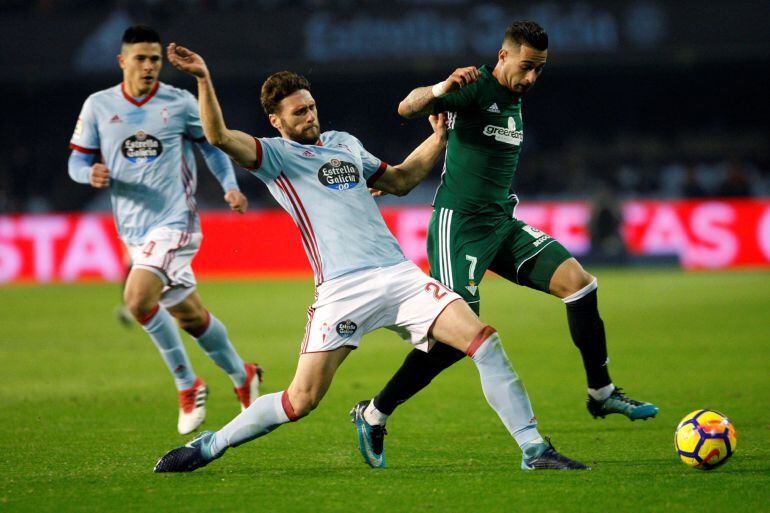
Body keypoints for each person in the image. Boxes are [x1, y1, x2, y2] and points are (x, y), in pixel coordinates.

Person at [153, 42, 588, 472]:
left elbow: (399, 180)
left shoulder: (343, 142)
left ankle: (534, 450)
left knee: (484, 341)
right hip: (343, 290)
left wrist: (438, 138)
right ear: (276, 121)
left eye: (311, 107)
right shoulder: (276, 157)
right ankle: (212, 444)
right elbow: (217, 136)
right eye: (298, 112)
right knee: (300, 400)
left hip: (400, 276)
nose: (309, 116)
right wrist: (203, 79)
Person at [351, 20, 658, 467]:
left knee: (581, 284)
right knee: (459, 337)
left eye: (540, 70)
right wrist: (441, 87)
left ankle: (602, 392)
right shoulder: (473, 86)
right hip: (459, 226)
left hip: (501, 222)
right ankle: (375, 412)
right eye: (527, 66)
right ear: (504, 56)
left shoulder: (514, 97)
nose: (532, 78)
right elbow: (406, 107)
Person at [68, 25, 263, 435]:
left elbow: (212, 144)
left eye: (155, 59)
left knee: (137, 299)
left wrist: (229, 186)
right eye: (140, 58)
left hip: (176, 223)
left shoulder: (179, 103)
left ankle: (187, 383)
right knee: (190, 317)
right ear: (123, 62)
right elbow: (76, 162)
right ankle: (243, 374)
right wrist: (90, 174)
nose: (149, 66)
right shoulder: (98, 106)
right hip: (134, 233)